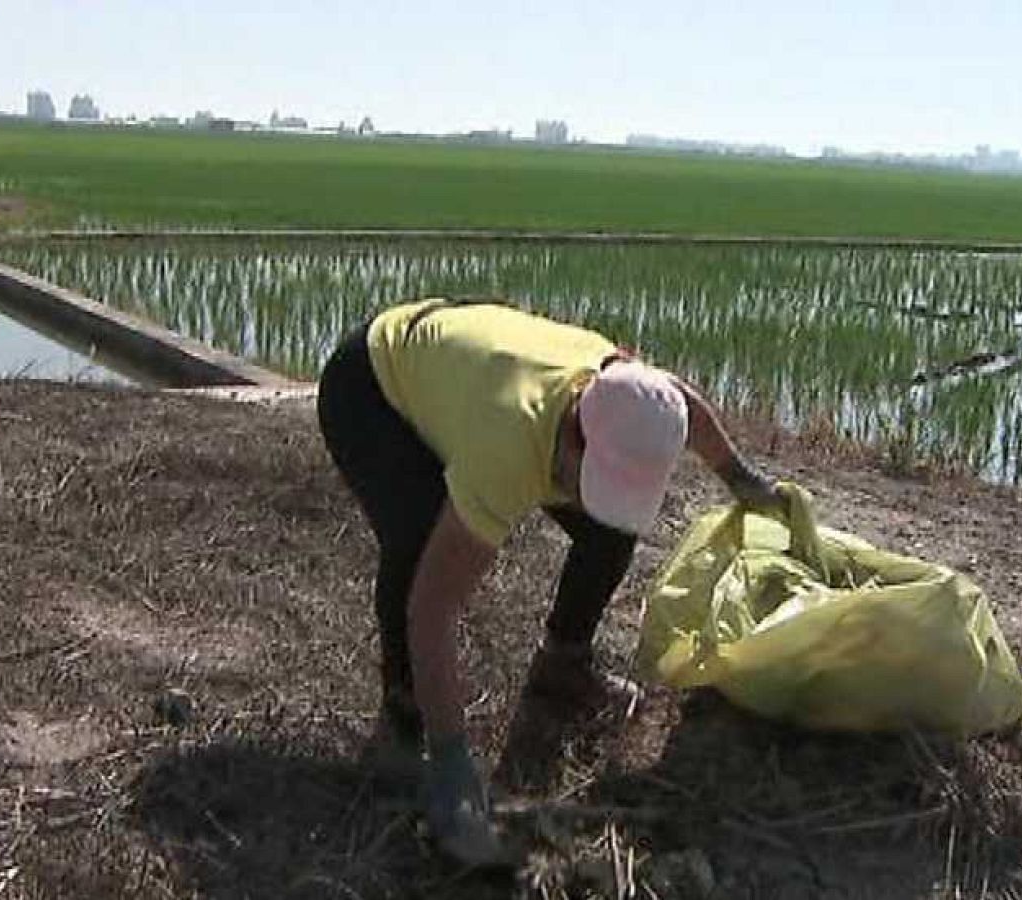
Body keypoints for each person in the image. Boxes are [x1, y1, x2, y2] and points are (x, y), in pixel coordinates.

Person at [317, 299, 781, 864]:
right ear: (571, 439)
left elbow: (685, 403)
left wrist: (743, 480)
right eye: (591, 478)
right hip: (372, 386)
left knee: (610, 529)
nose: (591, 495)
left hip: (466, 373)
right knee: (419, 546)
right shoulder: (509, 442)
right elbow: (434, 608)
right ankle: (403, 716)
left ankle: (564, 665)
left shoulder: (636, 398)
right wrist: (452, 758)